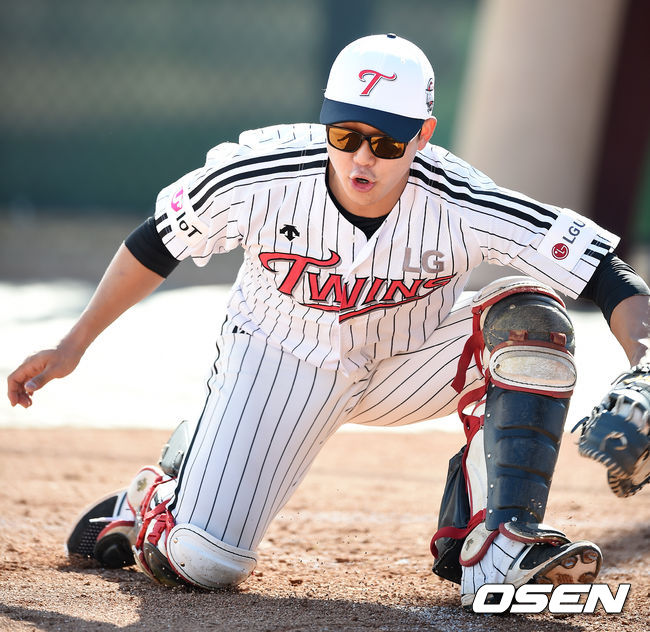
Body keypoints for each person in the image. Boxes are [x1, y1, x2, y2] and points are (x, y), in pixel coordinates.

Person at [7, 34, 650, 610]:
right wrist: (72, 343)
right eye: (345, 135)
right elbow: (156, 243)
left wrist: (645, 362)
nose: (362, 158)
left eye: (387, 142)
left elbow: (606, 272)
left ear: (423, 135)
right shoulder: (259, 176)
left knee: (532, 320)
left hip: (405, 362)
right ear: (326, 121)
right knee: (203, 563)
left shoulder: (462, 200)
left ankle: (501, 542)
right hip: (278, 361)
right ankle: (158, 493)